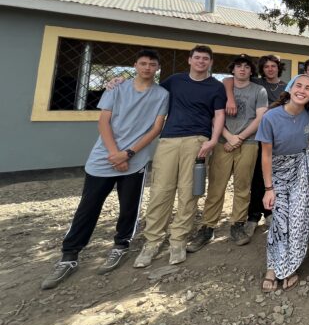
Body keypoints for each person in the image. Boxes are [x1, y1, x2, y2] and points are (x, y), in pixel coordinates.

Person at [41, 50, 169, 289]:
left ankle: (121, 245)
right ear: (135, 65)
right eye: (143, 63)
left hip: (135, 160)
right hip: (103, 158)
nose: (147, 68)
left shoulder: (161, 94)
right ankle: (69, 255)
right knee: (88, 206)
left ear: (158, 68)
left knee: (129, 206)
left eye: (152, 64)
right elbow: (104, 121)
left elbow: (155, 128)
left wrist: (128, 153)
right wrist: (115, 153)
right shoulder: (117, 88)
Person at [133, 45, 226, 268]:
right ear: (189, 60)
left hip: (197, 141)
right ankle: (153, 241)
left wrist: (213, 140)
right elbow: (150, 91)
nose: (201, 62)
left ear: (210, 62)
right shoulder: (175, 81)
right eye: (197, 58)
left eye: (205, 59)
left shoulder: (216, 87)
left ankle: (178, 240)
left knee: (189, 191)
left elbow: (219, 114)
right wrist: (117, 83)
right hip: (169, 140)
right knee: (160, 190)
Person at [187, 55, 268, 252]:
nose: (242, 70)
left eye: (246, 67)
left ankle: (237, 224)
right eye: (238, 66)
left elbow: (260, 118)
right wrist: (228, 136)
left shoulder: (259, 90)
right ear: (232, 70)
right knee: (216, 185)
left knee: (243, 186)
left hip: (248, 142)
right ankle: (208, 226)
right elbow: (215, 116)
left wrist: (239, 138)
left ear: (251, 71)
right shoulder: (222, 88)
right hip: (223, 142)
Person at [257, 75, 309, 292]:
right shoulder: (271, 117)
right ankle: (273, 267)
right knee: (280, 221)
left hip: (301, 169)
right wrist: (268, 188)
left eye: (308, 88)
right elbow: (265, 156)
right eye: (298, 85)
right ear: (289, 89)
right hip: (278, 173)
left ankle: (290, 266)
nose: (302, 90)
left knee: (299, 220)